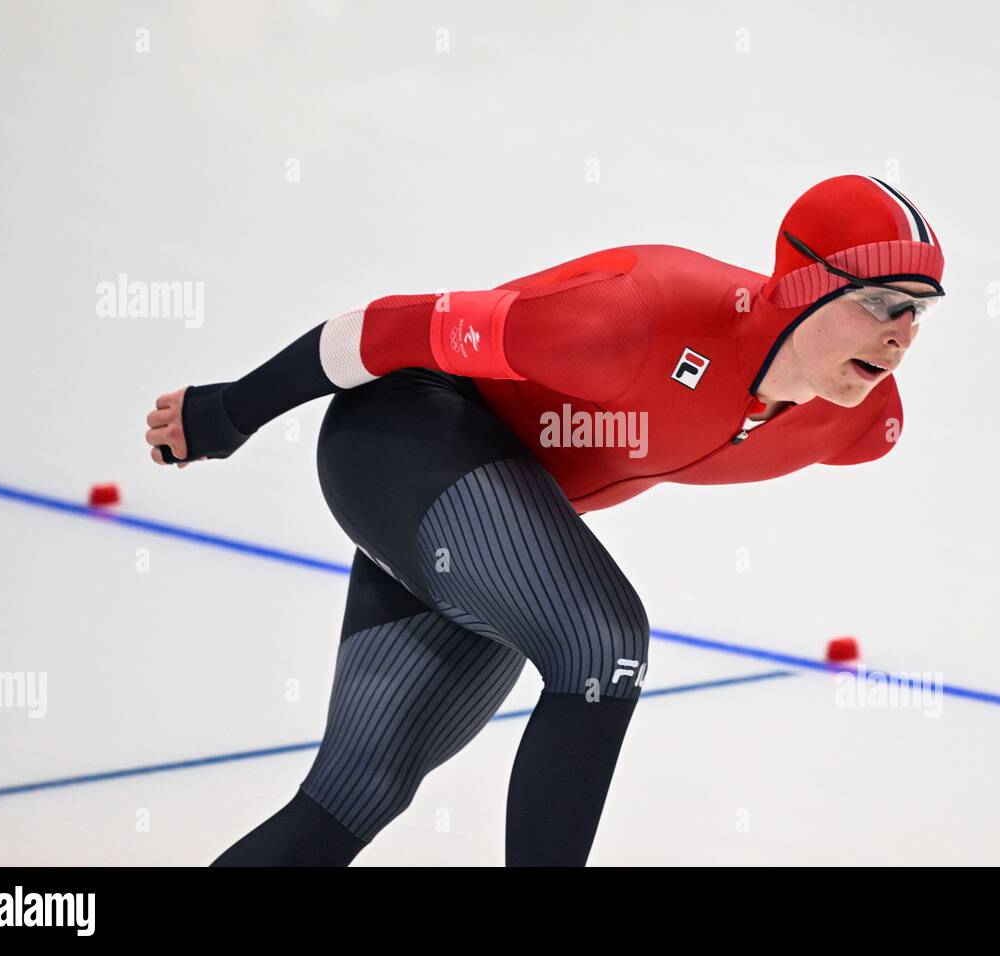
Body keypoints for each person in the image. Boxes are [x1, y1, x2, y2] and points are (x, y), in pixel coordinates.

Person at [143, 173, 946, 866]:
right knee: (603, 644)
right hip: (406, 432)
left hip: (491, 515)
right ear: (805, 283)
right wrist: (230, 411)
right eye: (881, 303)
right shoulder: (639, 315)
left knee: (356, 793)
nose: (902, 335)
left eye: (918, 314)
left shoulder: (859, 425)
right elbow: (388, 327)